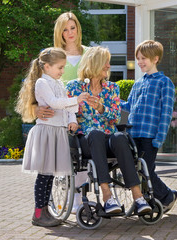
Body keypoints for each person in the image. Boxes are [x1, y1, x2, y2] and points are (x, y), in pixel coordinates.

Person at [66, 46, 152, 214]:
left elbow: (116, 118)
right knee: (96, 134)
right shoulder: (74, 87)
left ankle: (138, 197)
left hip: (108, 140)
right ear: (95, 64)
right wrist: (73, 122)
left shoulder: (112, 88)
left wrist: (100, 108)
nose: (108, 66)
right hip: (85, 141)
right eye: (106, 62)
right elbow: (68, 114)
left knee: (120, 137)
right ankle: (107, 195)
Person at [16, 47, 83, 227]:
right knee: (44, 175)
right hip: (47, 132)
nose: (62, 71)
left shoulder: (59, 84)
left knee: (51, 175)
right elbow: (54, 103)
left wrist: (73, 119)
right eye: (60, 68)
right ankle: (38, 213)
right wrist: (77, 99)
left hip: (58, 132)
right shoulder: (42, 84)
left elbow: (67, 108)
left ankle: (45, 210)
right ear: (46, 66)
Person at [35, 12, 89, 214]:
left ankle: (78, 200)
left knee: (84, 159)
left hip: (84, 117)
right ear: (59, 32)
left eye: (72, 28)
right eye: (64, 29)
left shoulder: (89, 54)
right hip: (57, 119)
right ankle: (47, 207)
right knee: (55, 165)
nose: (69, 33)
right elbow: (35, 91)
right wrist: (35, 109)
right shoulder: (51, 57)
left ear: (78, 28)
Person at [120, 40, 177, 214]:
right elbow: (129, 106)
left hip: (149, 136)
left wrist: (159, 137)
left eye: (143, 58)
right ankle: (147, 201)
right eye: (138, 58)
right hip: (133, 134)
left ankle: (167, 196)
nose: (139, 62)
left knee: (147, 170)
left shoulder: (164, 82)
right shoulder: (138, 83)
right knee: (134, 170)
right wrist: (111, 100)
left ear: (156, 58)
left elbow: (166, 113)